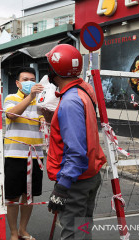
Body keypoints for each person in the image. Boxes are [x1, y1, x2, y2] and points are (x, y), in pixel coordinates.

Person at [45, 44, 107, 239]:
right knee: (83, 230)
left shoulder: (70, 102)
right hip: (89, 175)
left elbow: (76, 151)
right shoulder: (84, 90)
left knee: (73, 233)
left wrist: (62, 187)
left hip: (75, 180)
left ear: (55, 71)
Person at [3, 67, 45, 240]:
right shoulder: (10, 98)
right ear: (18, 83)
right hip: (14, 155)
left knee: (29, 196)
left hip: (36, 156)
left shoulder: (41, 102)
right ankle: (13, 233)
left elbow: (48, 121)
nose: (30, 83)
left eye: (32, 80)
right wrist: (30, 97)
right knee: (12, 197)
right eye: (26, 79)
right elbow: (12, 114)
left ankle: (23, 230)